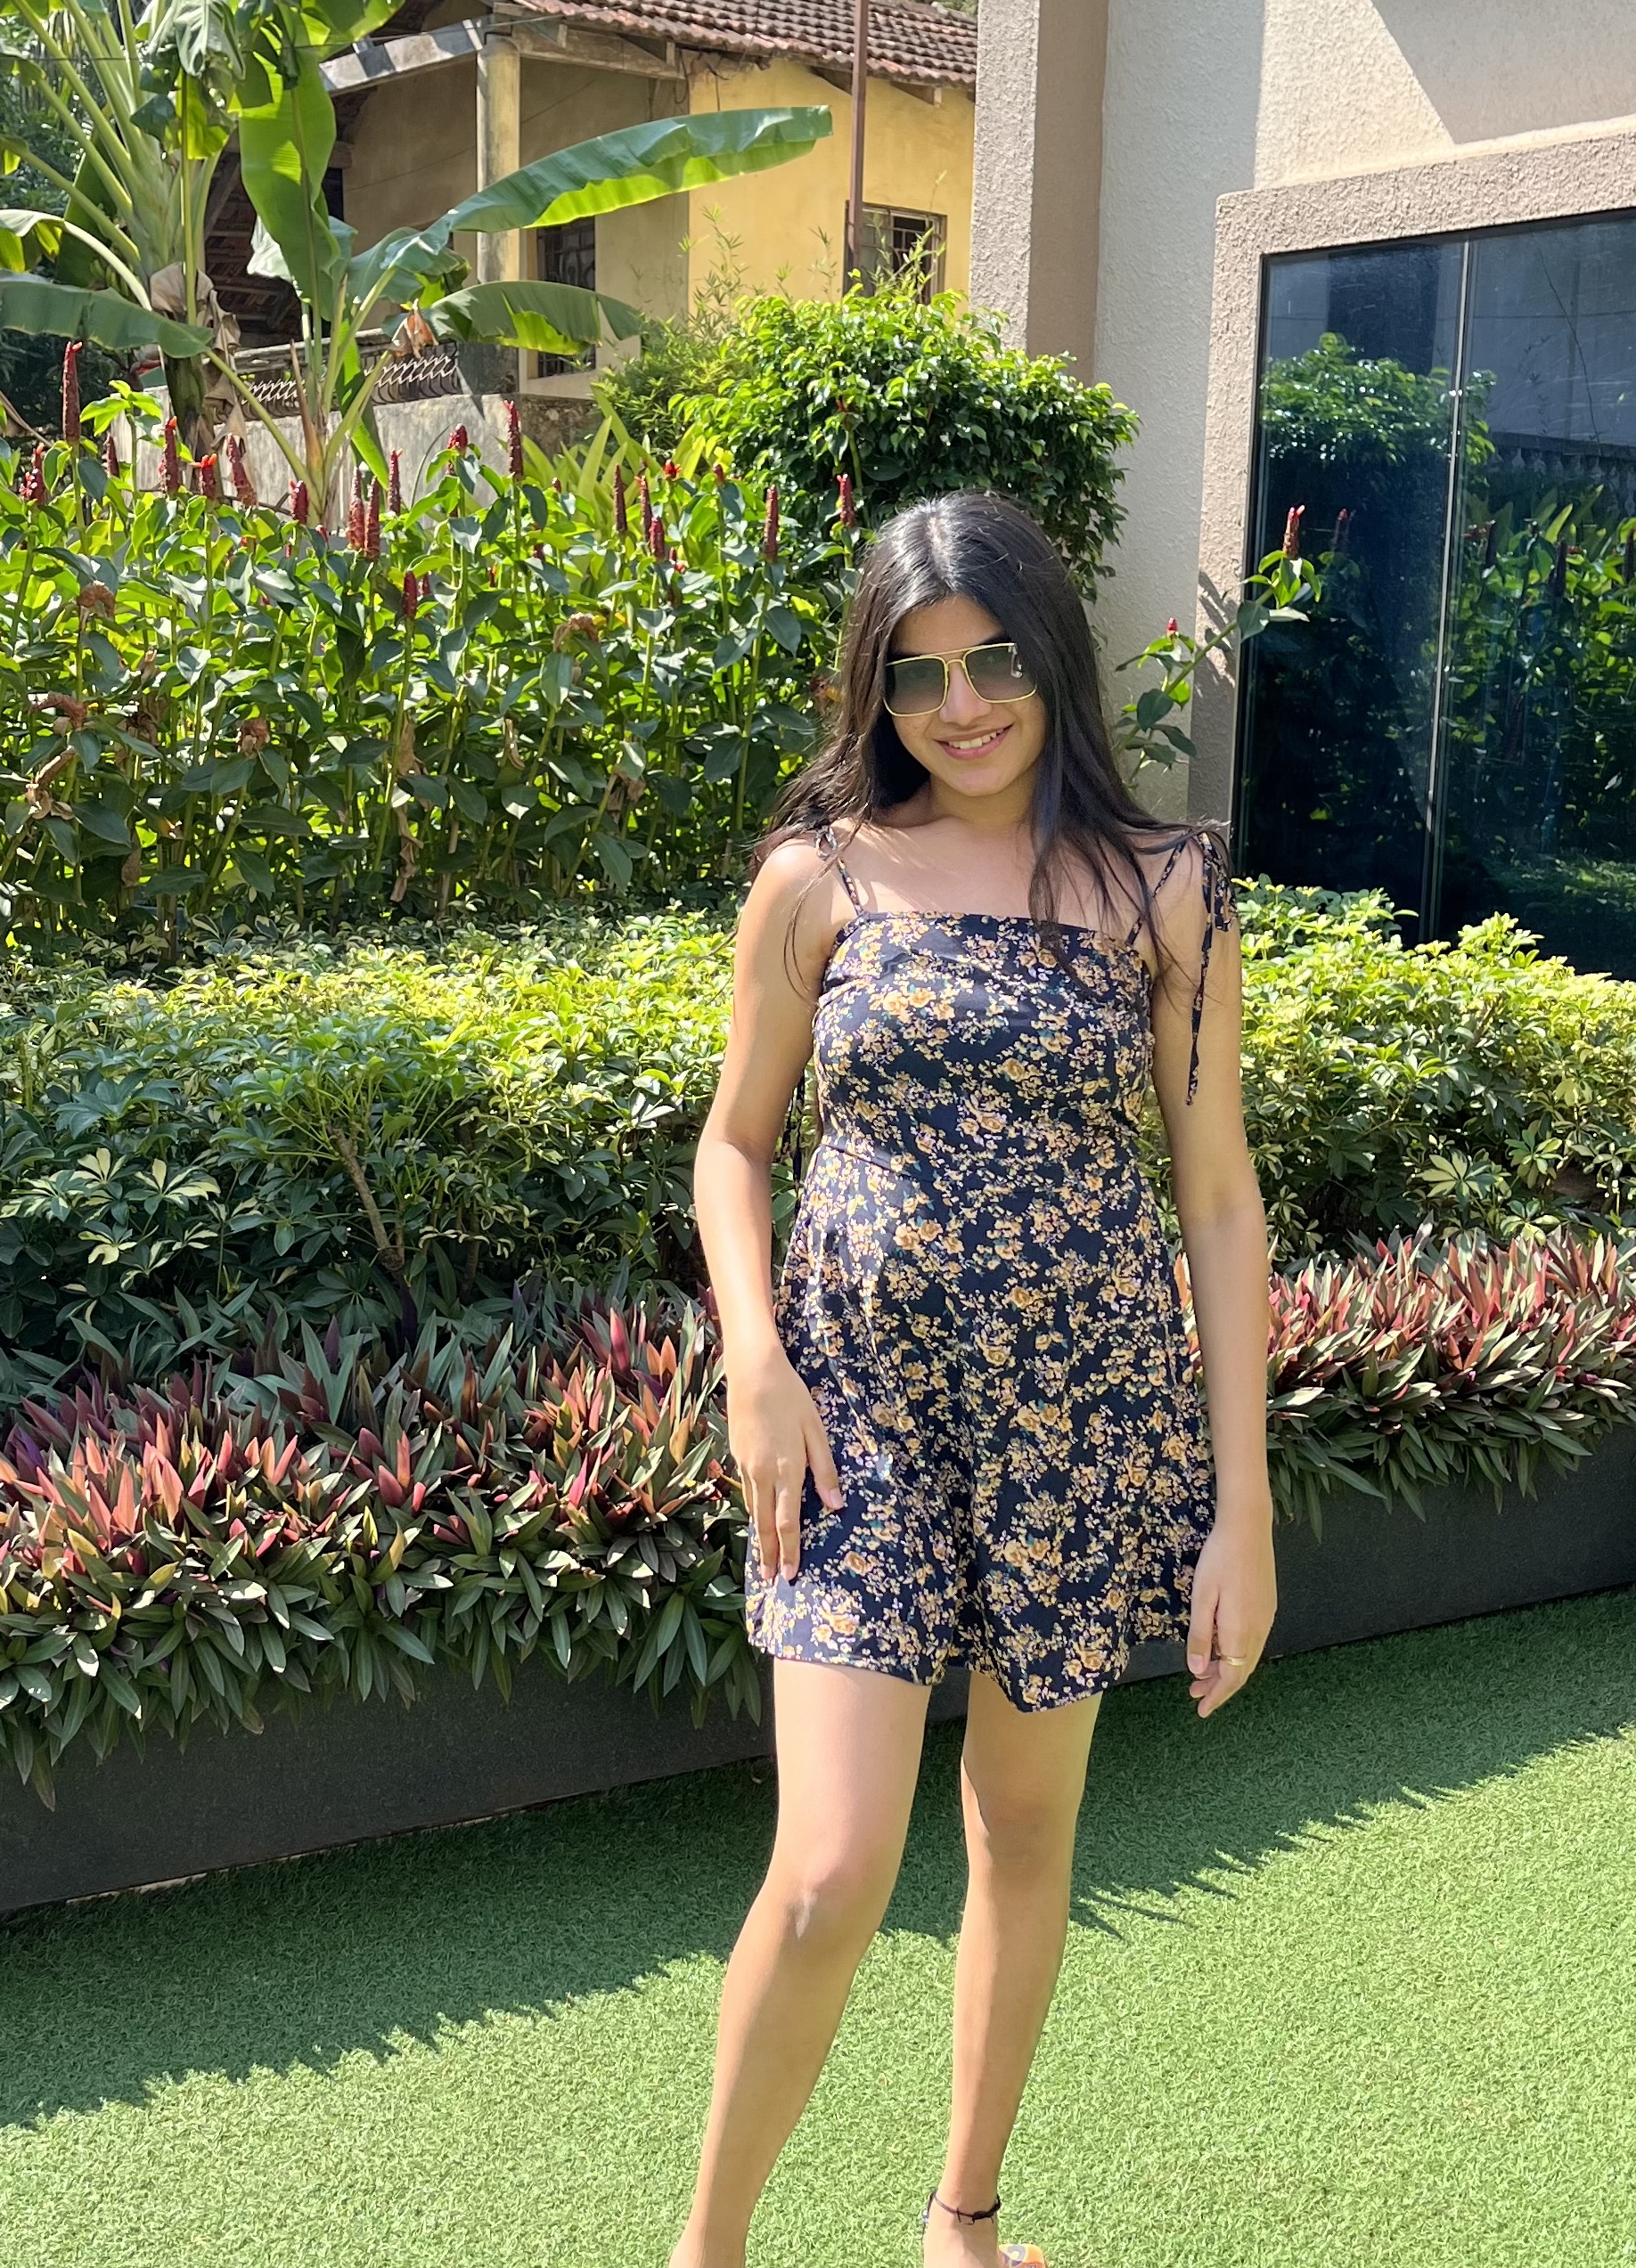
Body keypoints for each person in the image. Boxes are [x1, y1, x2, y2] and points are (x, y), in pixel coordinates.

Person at [672, 492, 1276, 2268]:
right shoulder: (819, 878)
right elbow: (734, 1143)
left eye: (995, 658)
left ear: (1052, 655)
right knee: (829, 1868)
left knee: (1020, 1825)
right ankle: (708, 2249)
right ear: (877, 689)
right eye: (919, 673)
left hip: (1083, 1421)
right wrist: (755, 1355)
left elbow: (1220, 1198)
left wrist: (1242, 1507)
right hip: (853, 1420)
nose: (963, 705)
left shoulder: (1165, 886)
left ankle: (966, 2221)